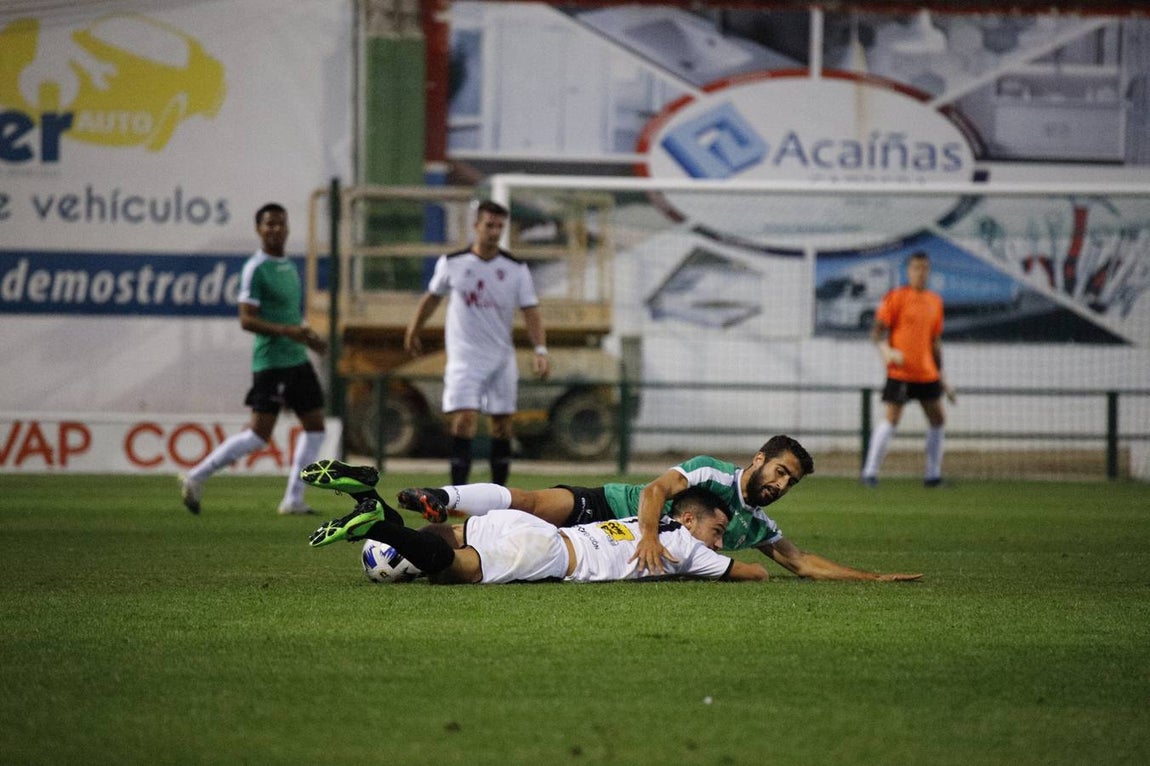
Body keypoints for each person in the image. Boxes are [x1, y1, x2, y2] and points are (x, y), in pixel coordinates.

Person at [302, 436, 923, 582]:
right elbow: (654, 491)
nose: (782, 484)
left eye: (791, 480)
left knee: (472, 535)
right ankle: (404, 514)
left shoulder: (752, 523)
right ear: (759, 459)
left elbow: (796, 559)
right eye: (780, 470)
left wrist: (870, 578)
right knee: (523, 510)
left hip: (580, 535)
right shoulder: (702, 498)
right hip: (614, 512)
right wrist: (659, 538)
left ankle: (375, 506)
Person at [178, 202, 329, 515]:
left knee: (315, 427)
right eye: (269, 224)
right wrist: (288, 332)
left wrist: (308, 337)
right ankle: (196, 476)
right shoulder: (255, 268)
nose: (275, 229)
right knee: (259, 435)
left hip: (297, 360)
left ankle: (293, 499)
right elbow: (246, 319)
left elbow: (288, 315)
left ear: (287, 228)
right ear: (258, 229)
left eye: (280, 223)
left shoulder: (288, 266)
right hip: (272, 364)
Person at [309, 486, 769, 584]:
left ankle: (371, 500)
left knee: (444, 536)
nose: (718, 542)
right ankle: (378, 524)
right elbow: (755, 574)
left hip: (531, 528)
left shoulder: (650, 523)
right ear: (689, 521)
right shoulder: (689, 546)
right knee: (453, 569)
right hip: (549, 552)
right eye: (717, 530)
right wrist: (705, 565)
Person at [403, 199, 549, 486]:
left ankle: (499, 495)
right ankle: (458, 494)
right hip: (464, 358)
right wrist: (413, 329)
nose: (494, 232)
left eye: (499, 226)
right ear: (476, 226)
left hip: (500, 357)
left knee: (502, 425)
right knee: (464, 420)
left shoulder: (516, 269)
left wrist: (541, 349)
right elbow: (432, 297)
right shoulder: (453, 263)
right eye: (489, 225)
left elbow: (530, 310)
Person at [860, 251, 957, 488]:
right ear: (908, 270)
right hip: (901, 374)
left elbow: (935, 342)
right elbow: (876, 333)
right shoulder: (897, 297)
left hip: (926, 373)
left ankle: (932, 476)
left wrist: (943, 378)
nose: (920, 272)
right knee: (891, 419)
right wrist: (887, 352)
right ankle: (869, 473)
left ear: (929, 270)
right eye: (916, 268)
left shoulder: (935, 301)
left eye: (924, 268)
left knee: (938, 419)